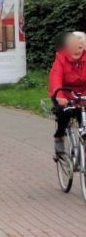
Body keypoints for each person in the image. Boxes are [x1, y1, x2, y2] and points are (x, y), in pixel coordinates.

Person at [48, 32, 86, 160]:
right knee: (65, 112)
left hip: (83, 95)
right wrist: (58, 94)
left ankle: (82, 149)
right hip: (63, 93)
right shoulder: (61, 57)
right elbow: (55, 76)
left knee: (84, 120)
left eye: (80, 47)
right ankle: (59, 137)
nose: (76, 50)